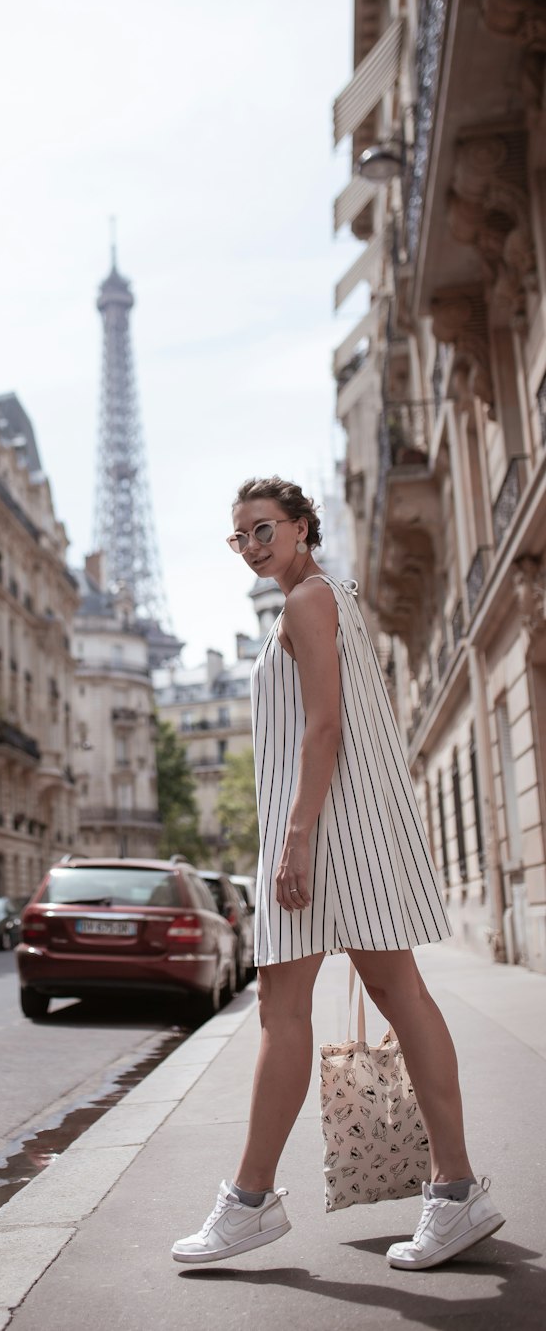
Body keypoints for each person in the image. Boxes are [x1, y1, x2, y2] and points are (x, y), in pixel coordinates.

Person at [172, 476, 504, 1271]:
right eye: (240, 536)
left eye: (264, 530)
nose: (252, 546)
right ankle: (447, 1193)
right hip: (339, 827)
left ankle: (261, 1203)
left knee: (306, 1009)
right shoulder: (332, 596)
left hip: (325, 834)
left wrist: (295, 836)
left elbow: (325, 725)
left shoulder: (308, 602)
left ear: (300, 527)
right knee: (362, 999)